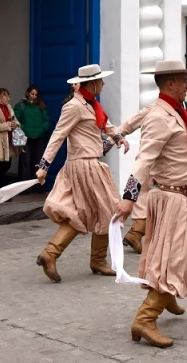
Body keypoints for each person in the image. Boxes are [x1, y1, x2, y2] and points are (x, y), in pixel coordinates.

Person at [115, 59, 187, 348]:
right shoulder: (160, 116)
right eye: (184, 79)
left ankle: (168, 296)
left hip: (179, 196)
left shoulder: (174, 109)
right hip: (171, 198)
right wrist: (128, 197)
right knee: (175, 258)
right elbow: (144, 160)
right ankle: (145, 319)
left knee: (181, 251)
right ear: (171, 83)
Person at [33, 64, 129, 282]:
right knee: (110, 210)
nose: (104, 83)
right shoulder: (74, 106)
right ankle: (96, 260)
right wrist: (44, 165)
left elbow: (107, 125)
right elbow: (58, 134)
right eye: (101, 80)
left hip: (89, 165)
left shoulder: (92, 105)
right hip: (84, 166)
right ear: (92, 83)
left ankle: (52, 254)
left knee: (84, 214)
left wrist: (119, 137)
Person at [115, 88, 187, 254]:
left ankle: (136, 234)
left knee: (146, 199)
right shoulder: (156, 110)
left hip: (163, 165)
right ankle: (137, 234)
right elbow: (131, 123)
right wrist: (113, 138)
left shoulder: (180, 111)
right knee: (147, 198)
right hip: (155, 163)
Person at [14, 85, 51, 181]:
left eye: (36, 95)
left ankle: (38, 186)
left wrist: (43, 129)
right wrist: (24, 129)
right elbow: (15, 120)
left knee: (38, 162)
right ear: (28, 93)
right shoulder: (20, 106)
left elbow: (46, 119)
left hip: (39, 138)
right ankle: (24, 187)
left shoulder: (41, 106)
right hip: (25, 138)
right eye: (32, 94)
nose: (34, 96)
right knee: (24, 162)